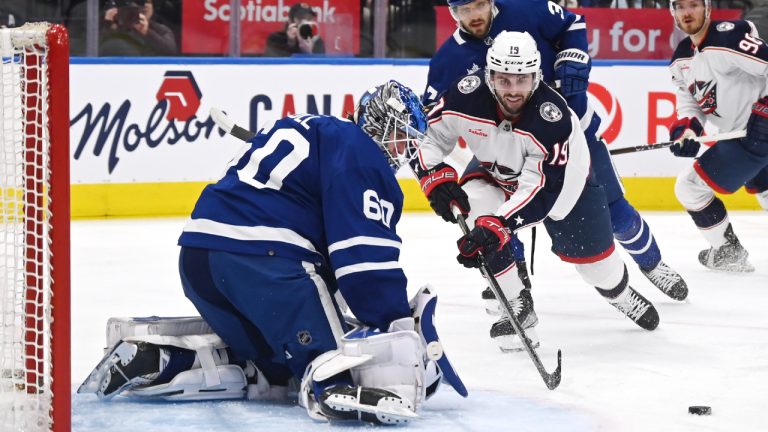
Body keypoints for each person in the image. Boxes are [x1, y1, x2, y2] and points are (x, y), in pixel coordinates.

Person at [76, 81, 467, 424]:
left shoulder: (304, 128)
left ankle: (163, 360)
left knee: (271, 370)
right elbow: (364, 263)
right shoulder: (360, 151)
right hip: (266, 261)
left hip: (200, 257)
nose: (401, 151)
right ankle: (332, 388)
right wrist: (394, 322)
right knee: (326, 360)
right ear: (380, 125)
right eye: (401, 136)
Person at [421, 0, 687, 350]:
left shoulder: (527, 12)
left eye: (479, 3)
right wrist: (434, 174)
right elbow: (431, 129)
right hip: (502, 153)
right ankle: (516, 297)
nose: (473, 14)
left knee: (614, 217)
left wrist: (573, 56)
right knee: (479, 212)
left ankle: (637, 277)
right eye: (462, 8)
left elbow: (541, 187)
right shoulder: (449, 66)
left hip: (565, 153)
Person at [667, 0, 768, 272]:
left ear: (707, 8)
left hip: (756, 135)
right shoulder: (680, 60)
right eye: (680, 7)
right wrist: (687, 131)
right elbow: (690, 104)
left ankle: (728, 251)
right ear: (673, 12)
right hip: (740, 135)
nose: (688, 12)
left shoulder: (727, 37)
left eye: (694, 5)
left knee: (689, 187)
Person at [100, 0, 177, 56]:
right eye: (139, 2)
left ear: (153, 8)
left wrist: (147, 32)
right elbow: (94, 46)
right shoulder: (116, 25)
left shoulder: (160, 29)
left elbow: (171, 51)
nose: (145, 6)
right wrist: (107, 23)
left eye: (148, 2)